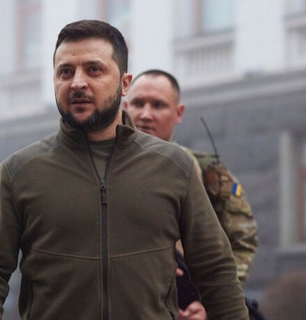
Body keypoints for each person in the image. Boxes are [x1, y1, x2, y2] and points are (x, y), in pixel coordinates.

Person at [0, 20, 248, 319]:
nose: (77, 83)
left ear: (124, 83)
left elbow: (215, 270)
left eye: (93, 69)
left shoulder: (174, 166)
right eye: (65, 72)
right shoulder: (20, 171)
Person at [123, 69, 260, 319]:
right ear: (124, 107)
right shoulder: (102, 168)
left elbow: (242, 238)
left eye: (158, 105)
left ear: (178, 113)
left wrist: (211, 301)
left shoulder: (207, 172)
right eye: (138, 103)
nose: (145, 114)